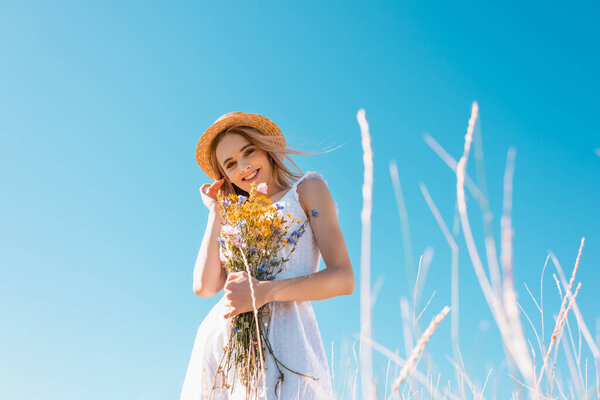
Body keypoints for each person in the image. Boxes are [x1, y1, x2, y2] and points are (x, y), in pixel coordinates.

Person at [180, 112, 354, 400]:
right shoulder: (233, 217)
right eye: (231, 164)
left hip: (287, 342)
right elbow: (205, 286)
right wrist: (216, 213)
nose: (244, 166)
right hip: (224, 350)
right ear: (224, 177)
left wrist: (263, 292)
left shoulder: (306, 192)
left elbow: (343, 278)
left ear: (267, 148)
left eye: (249, 151)